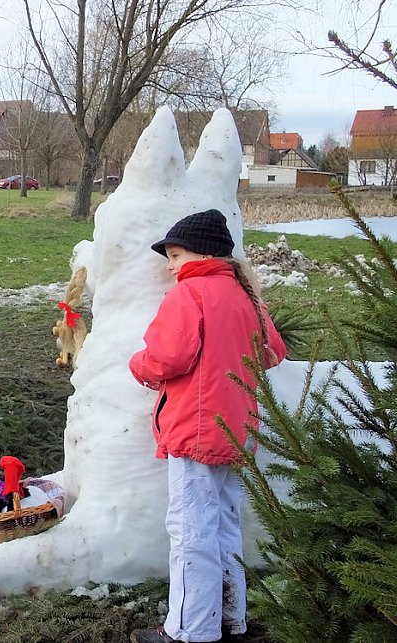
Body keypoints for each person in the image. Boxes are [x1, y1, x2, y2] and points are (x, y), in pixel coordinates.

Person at [127, 209, 287, 643]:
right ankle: (232, 620)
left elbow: (167, 357)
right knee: (223, 527)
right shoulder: (243, 294)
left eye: (175, 254)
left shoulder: (189, 294)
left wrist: (136, 364)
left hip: (196, 433)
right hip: (236, 431)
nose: (169, 264)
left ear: (201, 253)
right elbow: (274, 350)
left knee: (190, 533)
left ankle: (190, 632)